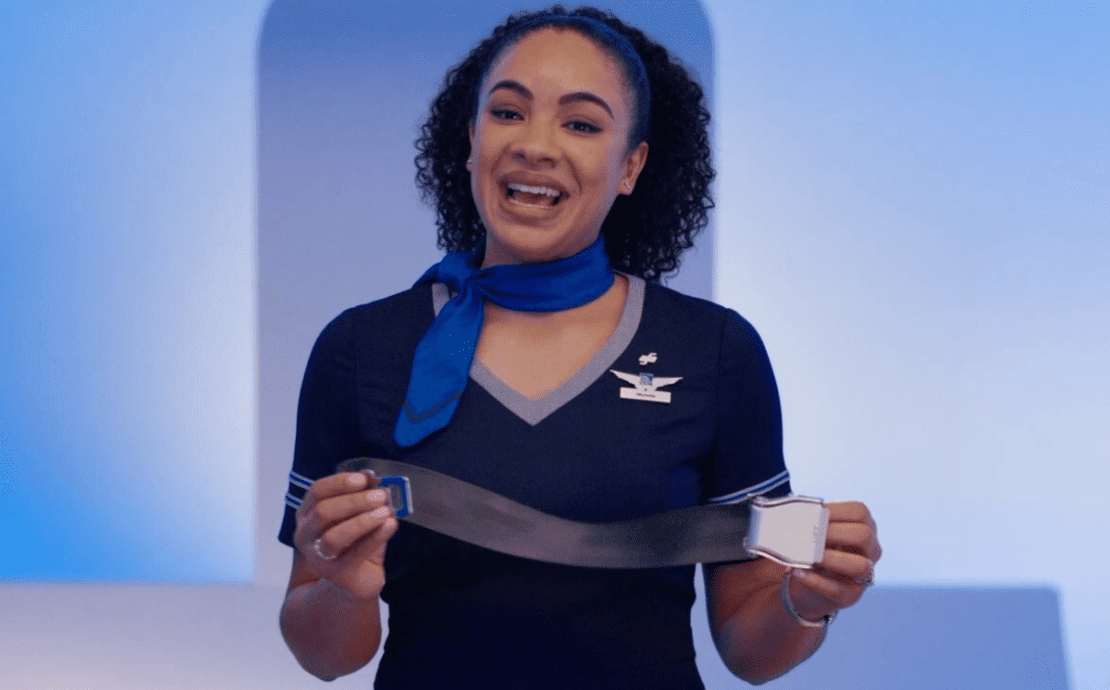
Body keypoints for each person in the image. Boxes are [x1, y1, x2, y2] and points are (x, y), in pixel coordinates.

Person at [277, 6, 882, 688]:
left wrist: (807, 601)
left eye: (582, 123)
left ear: (631, 165)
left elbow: (751, 651)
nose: (536, 144)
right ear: (472, 138)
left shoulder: (714, 350)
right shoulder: (361, 349)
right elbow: (324, 655)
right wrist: (344, 589)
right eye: (508, 113)